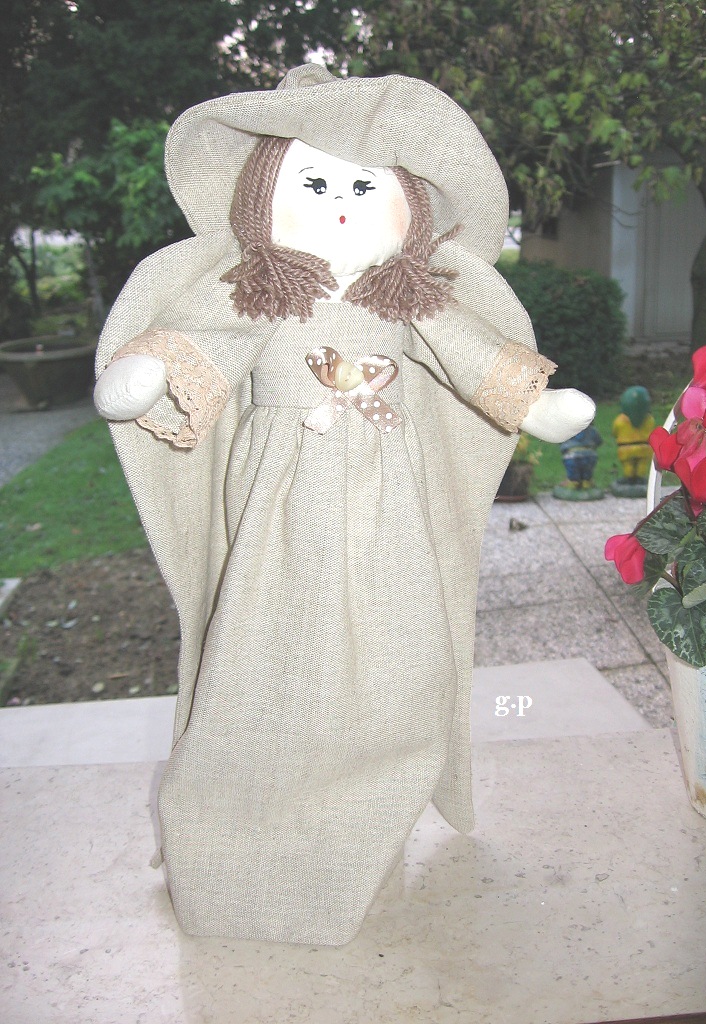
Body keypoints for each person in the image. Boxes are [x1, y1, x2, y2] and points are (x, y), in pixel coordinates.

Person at [94, 64, 595, 944]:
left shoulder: (405, 298)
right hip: (280, 504)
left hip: (387, 497)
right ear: (262, 197)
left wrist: (534, 402)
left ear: (410, 209)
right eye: (315, 184)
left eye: (363, 188)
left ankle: (367, 804)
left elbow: (468, 352)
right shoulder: (260, 290)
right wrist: (149, 371)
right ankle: (244, 827)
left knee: (398, 655)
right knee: (267, 650)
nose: (337, 203)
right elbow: (205, 342)